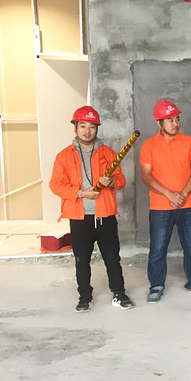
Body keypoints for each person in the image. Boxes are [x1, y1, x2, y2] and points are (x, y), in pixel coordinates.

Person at [49, 106, 133, 312]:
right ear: (75, 128)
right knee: (81, 260)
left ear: (97, 129)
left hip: (105, 215)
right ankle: (84, 296)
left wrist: (111, 182)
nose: (87, 131)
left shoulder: (108, 153)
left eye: (92, 126)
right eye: (83, 126)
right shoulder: (63, 156)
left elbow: (121, 180)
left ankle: (119, 294)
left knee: (112, 258)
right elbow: (55, 185)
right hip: (79, 217)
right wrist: (81, 193)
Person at [139, 99, 191, 302]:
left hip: (188, 204)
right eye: (170, 120)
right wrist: (170, 194)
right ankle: (156, 286)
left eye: (177, 119)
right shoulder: (149, 145)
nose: (175, 123)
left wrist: (182, 194)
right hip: (160, 206)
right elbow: (146, 176)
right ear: (159, 123)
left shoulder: (189, 142)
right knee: (158, 248)